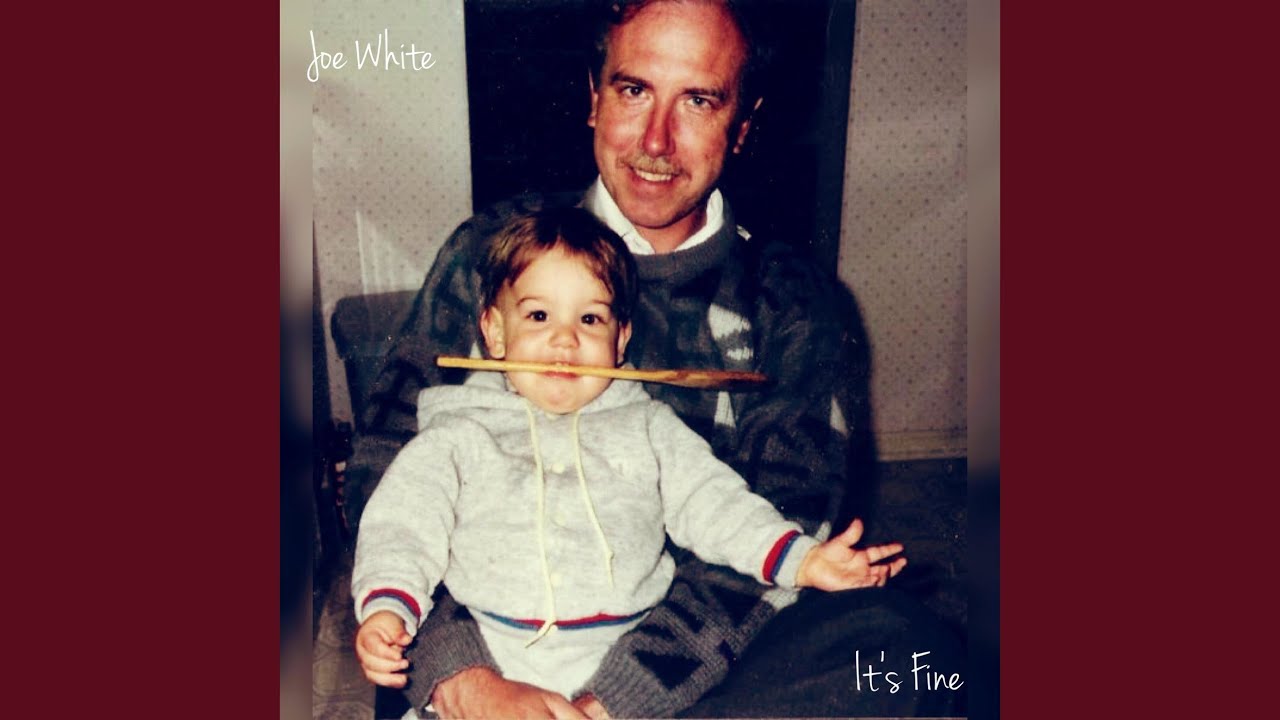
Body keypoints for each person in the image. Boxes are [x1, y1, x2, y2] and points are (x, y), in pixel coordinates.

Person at [345, 1, 966, 717]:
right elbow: (390, 481)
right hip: (489, 654)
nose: (656, 141)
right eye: (634, 89)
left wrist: (607, 703)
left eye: (698, 100)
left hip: (698, 664)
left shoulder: (794, 302)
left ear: (743, 125)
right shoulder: (493, 251)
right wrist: (464, 679)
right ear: (594, 98)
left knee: (914, 655)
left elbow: (776, 526)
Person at [352, 208, 908, 705]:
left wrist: (802, 560)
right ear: (495, 333)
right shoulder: (456, 433)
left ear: (620, 341)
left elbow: (717, 505)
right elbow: (402, 524)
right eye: (539, 317)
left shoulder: (650, 426)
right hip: (495, 655)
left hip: (619, 662)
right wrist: (386, 607)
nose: (565, 341)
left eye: (590, 319)